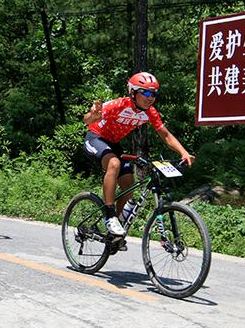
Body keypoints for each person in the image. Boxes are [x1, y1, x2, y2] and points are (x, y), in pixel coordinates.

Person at [83, 72, 195, 237]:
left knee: (129, 187)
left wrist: (183, 152)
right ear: (133, 92)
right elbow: (87, 120)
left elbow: (165, 135)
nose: (151, 97)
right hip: (95, 138)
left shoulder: (150, 112)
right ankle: (109, 215)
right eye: (147, 92)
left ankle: (112, 232)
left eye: (154, 93)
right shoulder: (119, 105)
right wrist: (93, 116)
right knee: (114, 164)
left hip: (114, 145)